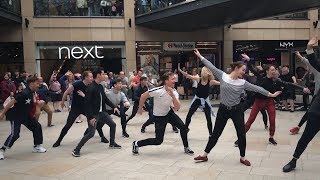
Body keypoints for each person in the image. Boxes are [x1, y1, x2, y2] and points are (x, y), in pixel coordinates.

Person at [192, 49, 281, 166]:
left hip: (237, 110)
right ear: (236, 68)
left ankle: (243, 158)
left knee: (241, 134)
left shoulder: (242, 83)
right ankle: (204, 155)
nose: (244, 72)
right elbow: (211, 66)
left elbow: (257, 88)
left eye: (245, 71)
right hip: (223, 110)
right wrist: (200, 56)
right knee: (216, 133)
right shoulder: (223, 76)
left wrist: (271, 95)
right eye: (243, 70)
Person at [235, 54, 310, 146]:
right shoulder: (260, 76)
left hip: (269, 102)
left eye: (275, 70)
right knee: (250, 120)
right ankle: (240, 139)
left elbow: (288, 84)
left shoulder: (276, 80)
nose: (274, 71)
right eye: (272, 70)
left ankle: (271, 137)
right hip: (258, 101)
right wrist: (249, 59)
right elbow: (252, 68)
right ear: (267, 71)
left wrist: (302, 88)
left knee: (272, 120)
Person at [132, 72, 194, 156]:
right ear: (166, 81)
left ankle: (186, 147)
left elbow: (177, 107)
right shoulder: (157, 90)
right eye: (172, 79)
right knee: (158, 141)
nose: (174, 81)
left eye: (174, 79)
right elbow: (143, 96)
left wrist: (172, 96)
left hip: (168, 113)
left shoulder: (174, 92)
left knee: (183, 128)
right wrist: (140, 108)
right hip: (158, 117)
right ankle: (136, 143)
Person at [282, 36, 320, 172]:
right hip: (317, 111)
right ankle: (294, 160)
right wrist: (309, 48)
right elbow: (314, 62)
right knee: (305, 137)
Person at [72, 68, 121, 157]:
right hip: (93, 114)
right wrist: (90, 117)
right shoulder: (91, 88)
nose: (104, 75)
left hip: (102, 113)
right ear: (98, 75)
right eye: (102, 74)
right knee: (91, 133)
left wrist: (114, 106)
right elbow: (87, 104)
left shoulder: (100, 86)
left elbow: (105, 99)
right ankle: (76, 149)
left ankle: (112, 143)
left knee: (113, 125)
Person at [0, 76, 47, 160]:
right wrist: (2, 113)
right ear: (31, 83)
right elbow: (11, 102)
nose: (38, 85)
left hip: (25, 115)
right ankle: (2, 150)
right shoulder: (24, 93)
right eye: (37, 83)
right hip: (16, 116)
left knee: (37, 126)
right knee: (15, 134)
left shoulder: (33, 92)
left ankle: (37, 146)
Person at [52, 71, 93, 147]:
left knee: (94, 121)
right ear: (86, 77)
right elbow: (66, 92)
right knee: (68, 125)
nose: (92, 78)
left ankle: (97, 135)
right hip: (75, 108)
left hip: (85, 108)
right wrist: (62, 102)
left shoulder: (91, 86)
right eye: (90, 77)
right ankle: (59, 140)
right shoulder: (77, 84)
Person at [178, 66, 220, 135]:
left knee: (208, 118)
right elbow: (188, 76)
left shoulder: (211, 82)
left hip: (205, 101)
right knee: (189, 115)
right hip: (197, 100)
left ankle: (210, 134)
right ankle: (185, 129)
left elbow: (220, 83)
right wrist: (181, 71)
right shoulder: (199, 79)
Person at [289, 51, 320, 135]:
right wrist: (299, 56)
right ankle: (298, 127)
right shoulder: (317, 70)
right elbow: (308, 62)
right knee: (310, 112)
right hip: (317, 96)